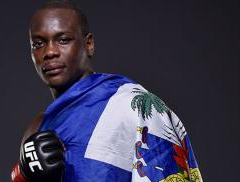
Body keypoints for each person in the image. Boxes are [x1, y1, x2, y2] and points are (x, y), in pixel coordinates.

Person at [11, 1, 203, 182]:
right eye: (38, 44)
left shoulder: (133, 106)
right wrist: (22, 174)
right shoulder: (37, 127)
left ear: (89, 44)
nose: (49, 52)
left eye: (63, 39)